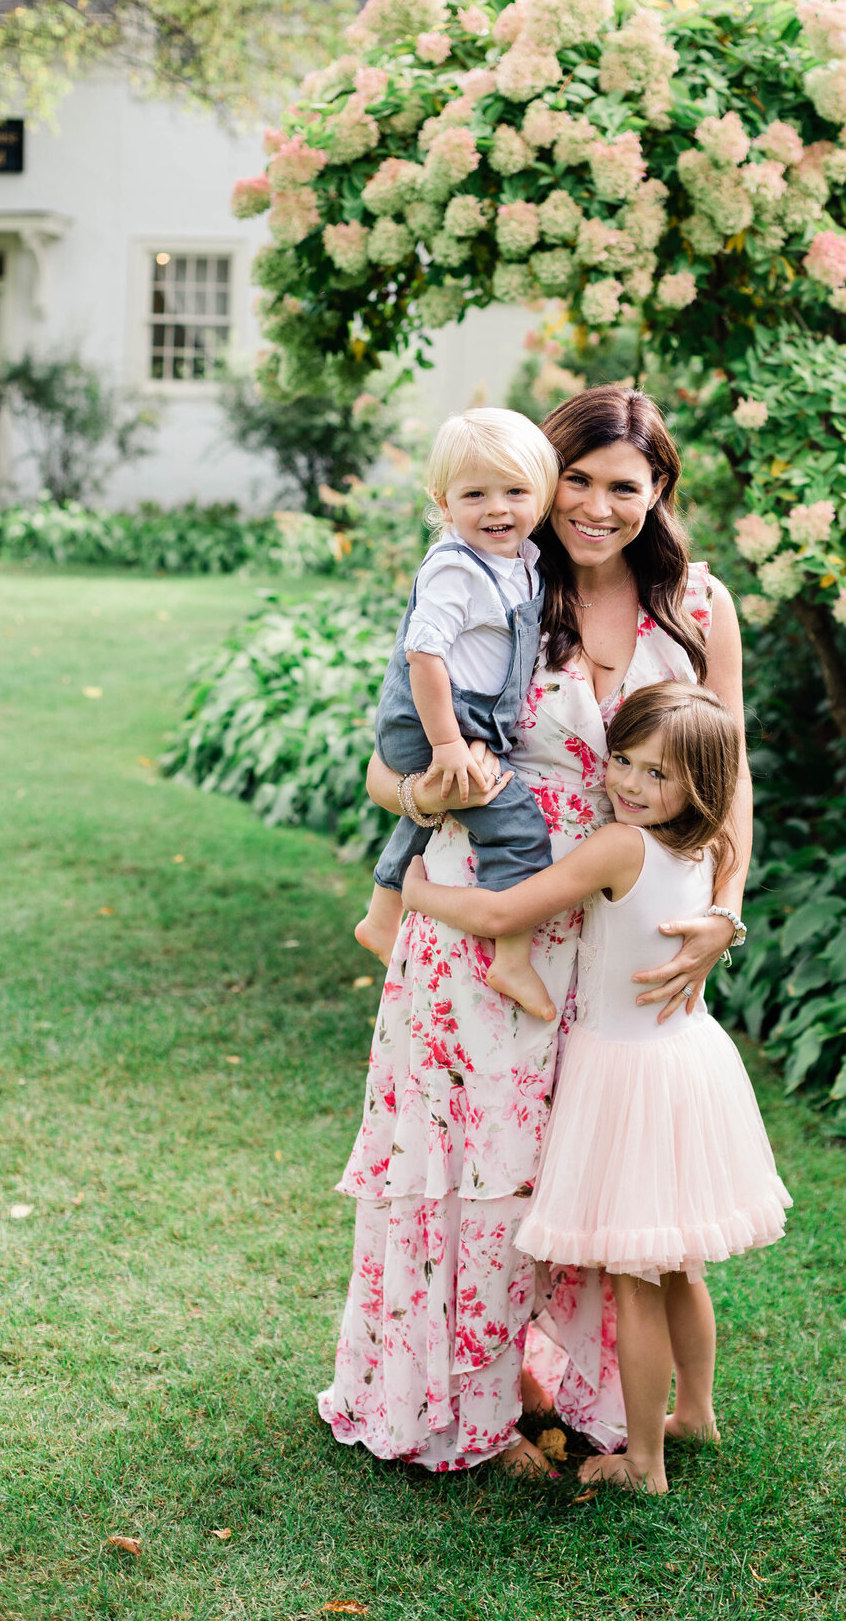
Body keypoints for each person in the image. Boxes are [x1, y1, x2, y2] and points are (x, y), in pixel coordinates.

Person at [318, 385, 753, 1475]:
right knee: (483, 1166)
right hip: (489, 921)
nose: (597, 508)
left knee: (599, 1168)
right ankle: (467, 1399)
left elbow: (730, 771)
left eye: (624, 487)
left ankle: (605, 1398)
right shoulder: (488, 578)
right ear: (542, 478)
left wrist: (726, 908)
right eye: (581, 482)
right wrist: (433, 801)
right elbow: (390, 763)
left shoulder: (697, 609)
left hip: (619, 941)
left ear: (659, 494)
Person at [402, 682, 791, 1493]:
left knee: (635, 1276)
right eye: (623, 760)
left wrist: (421, 894)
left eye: (659, 774)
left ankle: (645, 1461)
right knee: (681, 1264)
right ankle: (699, 1414)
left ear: (702, 784)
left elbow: (513, 905)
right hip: (688, 1064)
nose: (630, 783)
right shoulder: (713, 846)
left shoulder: (621, 845)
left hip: (626, 1079)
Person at [354, 407, 562, 1022]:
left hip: (461, 719)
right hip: (430, 722)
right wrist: (447, 744)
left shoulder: (521, 559)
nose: (497, 509)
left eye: (515, 492)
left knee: (434, 812)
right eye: (475, 495)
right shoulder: (454, 567)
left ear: (542, 496)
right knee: (517, 823)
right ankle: (512, 958)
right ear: (443, 503)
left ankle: (381, 916)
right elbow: (423, 654)